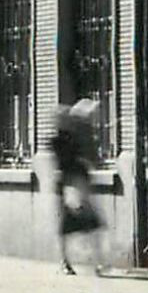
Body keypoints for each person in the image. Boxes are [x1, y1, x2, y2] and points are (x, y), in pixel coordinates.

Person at [50, 98, 103, 275]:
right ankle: (67, 261)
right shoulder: (58, 141)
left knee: (90, 224)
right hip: (68, 185)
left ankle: (94, 262)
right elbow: (62, 164)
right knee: (69, 226)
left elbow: (91, 157)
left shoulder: (78, 137)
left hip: (78, 183)